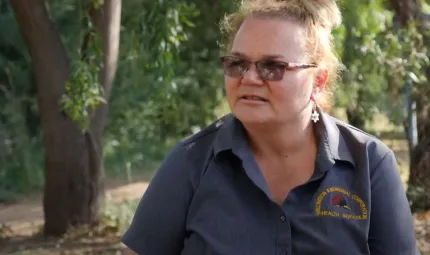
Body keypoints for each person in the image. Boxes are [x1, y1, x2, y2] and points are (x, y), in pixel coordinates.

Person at [121, 0, 420, 254]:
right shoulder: (190, 162)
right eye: (237, 63)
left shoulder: (370, 164)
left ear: (318, 81)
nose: (249, 78)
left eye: (272, 67)